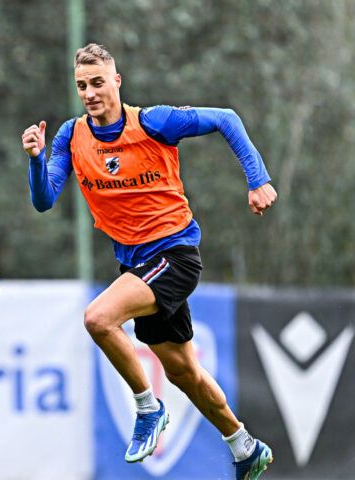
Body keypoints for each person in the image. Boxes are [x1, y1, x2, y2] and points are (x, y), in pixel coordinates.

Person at [21, 43, 275, 480]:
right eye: (82, 85)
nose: (90, 93)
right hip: (136, 264)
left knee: (98, 318)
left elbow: (226, 119)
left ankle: (147, 409)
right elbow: (45, 200)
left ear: (116, 81)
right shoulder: (71, 135)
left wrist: (258, 180)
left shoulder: (154, 121)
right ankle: (245, 446)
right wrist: (35, 160)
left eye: (98, 82)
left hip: (174, 253)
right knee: (182, 371)